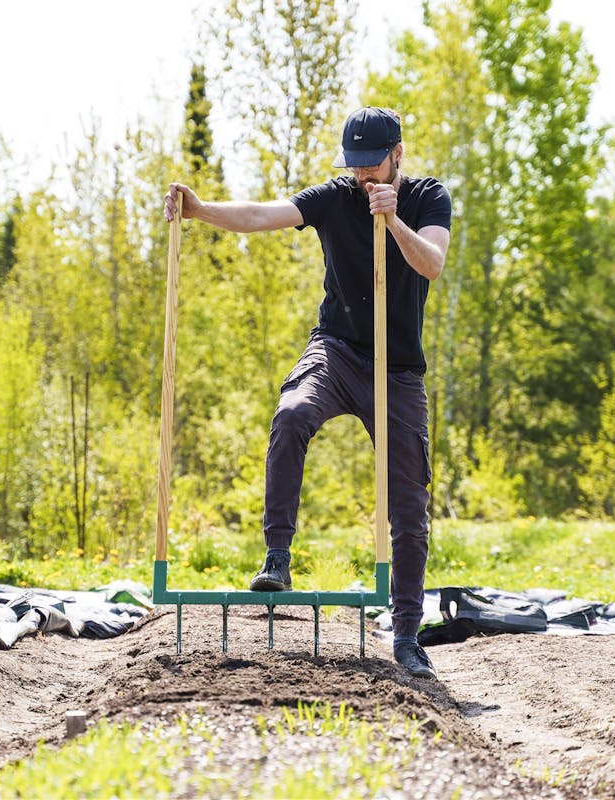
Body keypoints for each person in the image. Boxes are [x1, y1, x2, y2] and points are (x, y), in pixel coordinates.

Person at [163, 107, 451, 679]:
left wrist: (393, 222)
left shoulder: (427, 197)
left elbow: (432, 264)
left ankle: (407, 633)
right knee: (292, 413)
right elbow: (261, 214)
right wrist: (200, 210)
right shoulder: (334, 196)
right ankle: (277, 556)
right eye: (357, 169)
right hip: (338, 352)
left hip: (397, 371)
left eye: (375, 167)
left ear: (399, 155)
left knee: (409, 507)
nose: (365, 179)